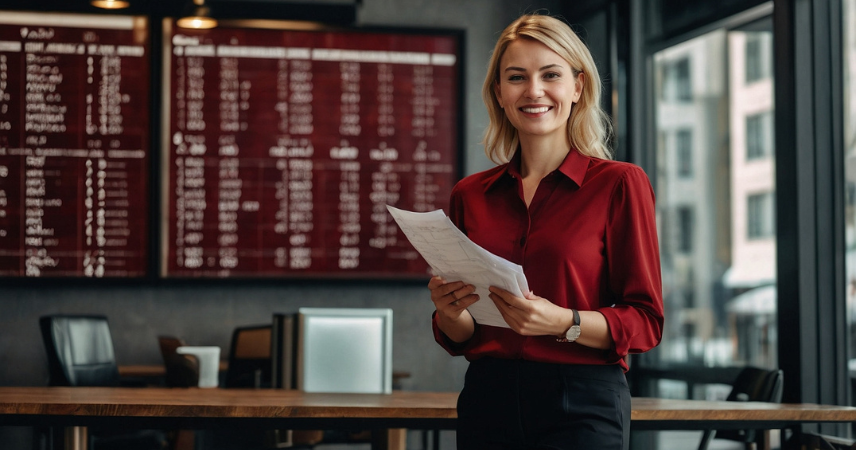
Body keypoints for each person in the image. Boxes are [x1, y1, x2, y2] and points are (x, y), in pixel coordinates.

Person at [428, 13, 664, 450]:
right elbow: (463, 336)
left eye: (550, 75)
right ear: (499, 93)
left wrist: (564, 322)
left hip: (582, 402)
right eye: (516, 77)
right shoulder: (470, 194)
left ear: (577, 87)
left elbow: (646, 322)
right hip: (487, 399)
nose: (533, 91)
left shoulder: (619, 183)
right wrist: (449, 310)